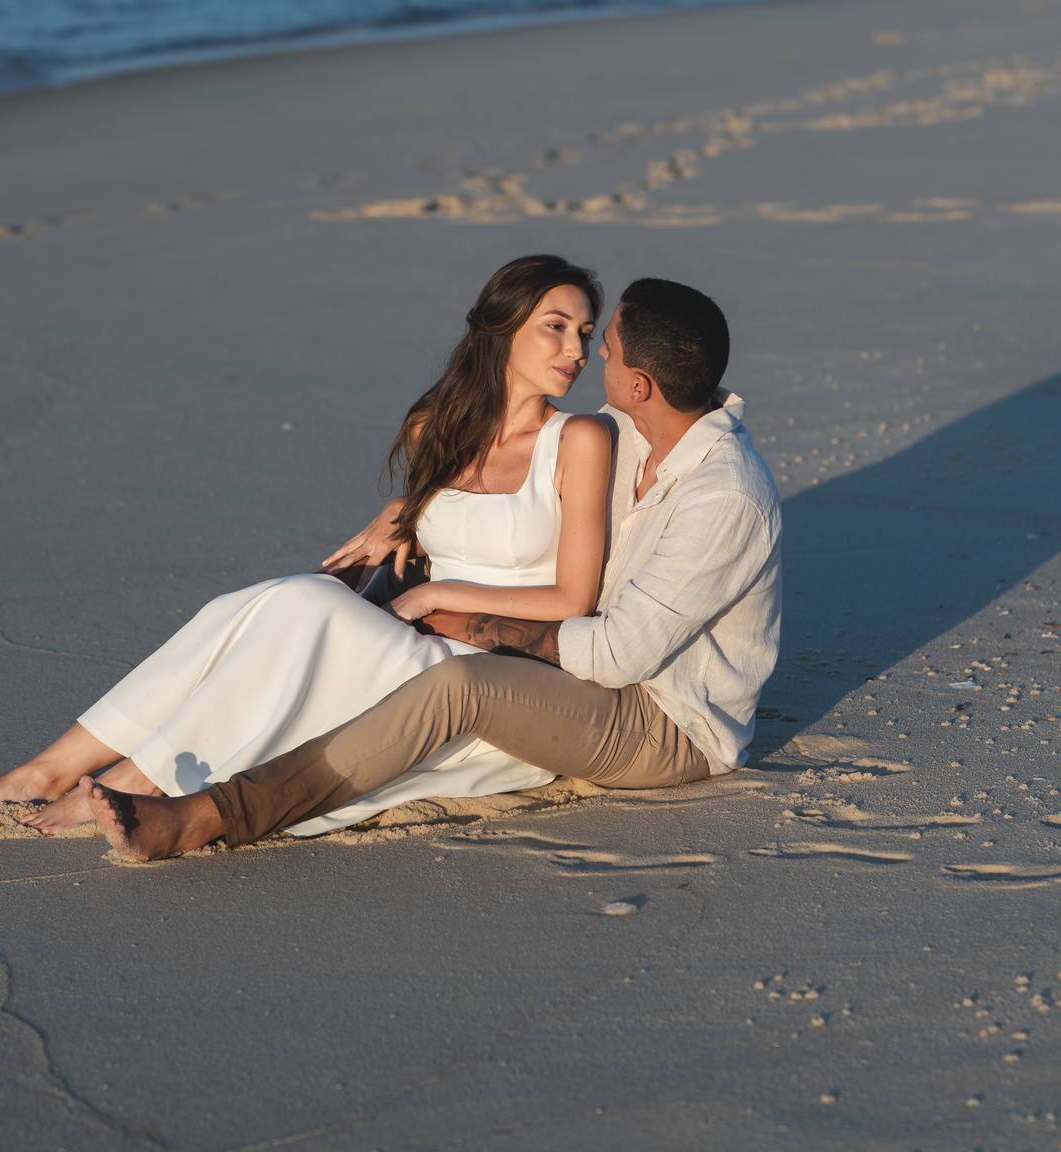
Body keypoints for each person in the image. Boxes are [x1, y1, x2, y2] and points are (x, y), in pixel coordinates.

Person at [82, 276, 783, 862]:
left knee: (458, 684)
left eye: (607, 348)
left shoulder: (725, 496)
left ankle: (206, 815)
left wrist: (453, 614)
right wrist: (410, 508)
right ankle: (122, 752)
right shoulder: (636, 428)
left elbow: (615, 652)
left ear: (638, 384)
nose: (592, 354)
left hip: (666, 723)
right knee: (311, 602)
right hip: (600, 676)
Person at [0, 254, 613, 837]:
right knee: (251, 605)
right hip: (413, 650)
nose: (577, 351)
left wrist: (434, 591)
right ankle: (43, 770)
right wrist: (408, 508)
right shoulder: (437, 428)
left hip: (494, 679)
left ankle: (130, 778)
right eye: (555, 328)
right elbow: (438, 533)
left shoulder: (577, 440)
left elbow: (571, 596)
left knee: (303, 602)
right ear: (501, 329)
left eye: (584, 332)